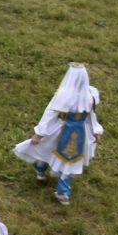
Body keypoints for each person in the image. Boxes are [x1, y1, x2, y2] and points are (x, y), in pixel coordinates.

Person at [14, 63, 102, 206]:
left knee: (60, 155)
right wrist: (40, 133)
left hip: (69, 131)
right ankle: (47, 176)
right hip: (69, 131)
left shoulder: (80, 96)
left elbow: (90, 115)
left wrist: (96, 130)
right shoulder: (78, 96)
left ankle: (60, 189)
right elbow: (51, 115)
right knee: (55, 153)